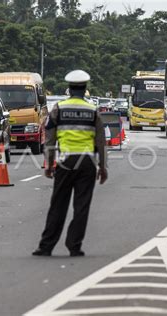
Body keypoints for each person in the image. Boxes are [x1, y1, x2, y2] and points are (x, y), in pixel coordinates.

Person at [32, 70, 108, 257]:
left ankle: (46, 246)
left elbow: (49, 139)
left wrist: (49, 164)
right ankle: (74, 246)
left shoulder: (58, 108)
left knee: (58, 204)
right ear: (85, 89)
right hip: (87, 163)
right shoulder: (93, 111)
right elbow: (101, 141)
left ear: (69, 89)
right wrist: (103, 166)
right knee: (81, 206)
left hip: (65, 162)